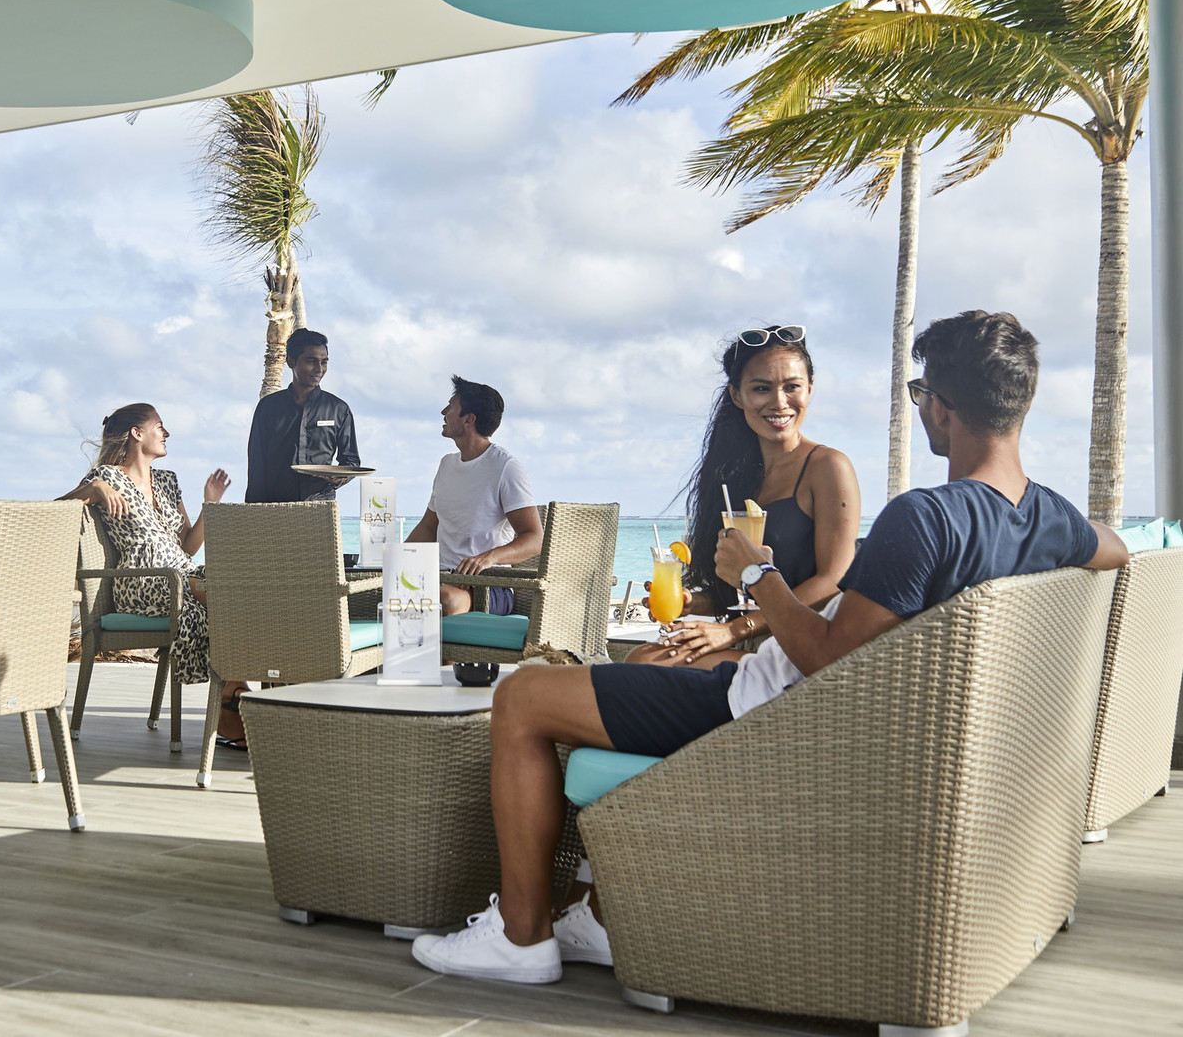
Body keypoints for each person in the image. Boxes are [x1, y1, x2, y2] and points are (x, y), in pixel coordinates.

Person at [410, 310, 1129, 985]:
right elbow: (1119, 551)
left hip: (770, 710)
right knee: (623, 672)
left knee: (522, 694)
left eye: (919, 392)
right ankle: (599, 908)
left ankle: (522, 932)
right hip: (829, 714)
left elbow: (825, 659)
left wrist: (757, 574)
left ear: (939, 405)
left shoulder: (926, 519)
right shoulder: (1049, 517)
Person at [629, 325, 861, 665]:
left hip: (803, 648)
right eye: (762, 388)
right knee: (645, 656)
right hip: (751, 643)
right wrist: (695, 603)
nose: (779, 402)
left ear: (810, 389)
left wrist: (734, 630)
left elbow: (833, 580)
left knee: (646, 665)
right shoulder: (734, 477)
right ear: (737, 396)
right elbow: (743, 591)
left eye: (792, 387)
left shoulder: (828, 467)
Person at [60, 404, 244, 737]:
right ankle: (234, 698)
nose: (167, 433)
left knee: (235, 587)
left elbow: (186, 546)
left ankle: (233, 693)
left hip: (179, 570)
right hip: (139, 578)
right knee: (220, 595)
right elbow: (56, 513)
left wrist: (210, 504)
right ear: (137, 433)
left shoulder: (168, 482)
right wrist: (94, 490)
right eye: (160, 426)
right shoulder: (107, 477)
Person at [404, 376, 542, 616]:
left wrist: (487, 558)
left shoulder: (505, 467)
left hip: (489, 587)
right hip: (442, 579)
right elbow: (428, 527)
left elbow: (534, 539)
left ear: (469, 420)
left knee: (443, 599)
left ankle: (449, 655)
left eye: (451, 407)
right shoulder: (446, 465)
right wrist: (396, 561)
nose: (443, 412)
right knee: (391, 593)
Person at [245, 329, 362, 503]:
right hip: (275, 507)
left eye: (324, 362)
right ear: (291, 361)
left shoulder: (339, 409)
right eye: (311, 361)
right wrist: (253, 512)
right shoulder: (268, 407)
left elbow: (351, 460)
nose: (319, 369)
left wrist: (340, 478)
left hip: (320, 506)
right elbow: (257, 465)